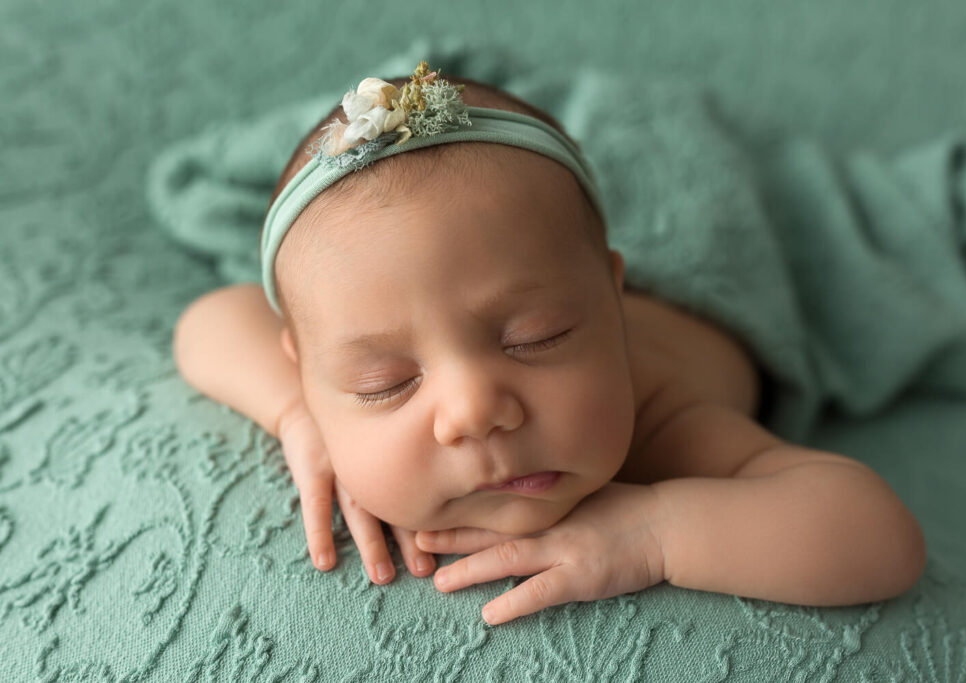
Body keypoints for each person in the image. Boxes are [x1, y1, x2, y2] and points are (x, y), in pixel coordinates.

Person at [172, 61, 926, 626]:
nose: (475, 410)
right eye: (383, 381)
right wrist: (297, 414)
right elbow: (207, 320)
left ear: (613, 299)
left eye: (539, 338)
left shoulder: (667, 427)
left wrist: (654, 529)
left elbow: (875, 533)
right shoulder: (319, 370)